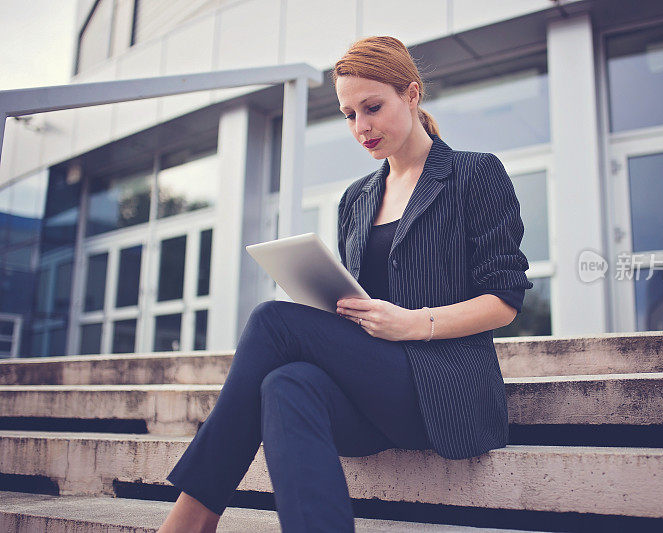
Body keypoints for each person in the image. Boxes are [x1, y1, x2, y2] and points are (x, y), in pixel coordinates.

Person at [158, 35, 532, 533]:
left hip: (444, 388)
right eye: (349, 114)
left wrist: (413, 323)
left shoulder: (474, 174)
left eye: (372, 107)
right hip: (371, 391)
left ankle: (192, 517)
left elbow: (505, 300)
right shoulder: (356, 200)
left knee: (271, 319)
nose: (362, 127)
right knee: (285, 383)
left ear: (412, 94)